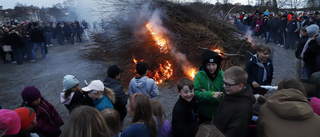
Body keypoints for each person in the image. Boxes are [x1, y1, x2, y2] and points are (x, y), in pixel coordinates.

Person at [213, 66, 255, 137]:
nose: (224, 86)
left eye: (227, 84)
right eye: (224, 82)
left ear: (240, 86)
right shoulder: (231, 93)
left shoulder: (243, 109)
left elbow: (235, 133)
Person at [194, 49, 224, 123]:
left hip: (218, 113)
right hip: (203, 114)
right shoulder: (199, 76)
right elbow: (195, 94)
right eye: (208, 64)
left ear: (217, 64)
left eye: (213, 64)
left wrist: (205, 94)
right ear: (204, 65)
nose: (211, 67)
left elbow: (226, 95)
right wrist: (211, 94)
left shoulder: (223, 76)